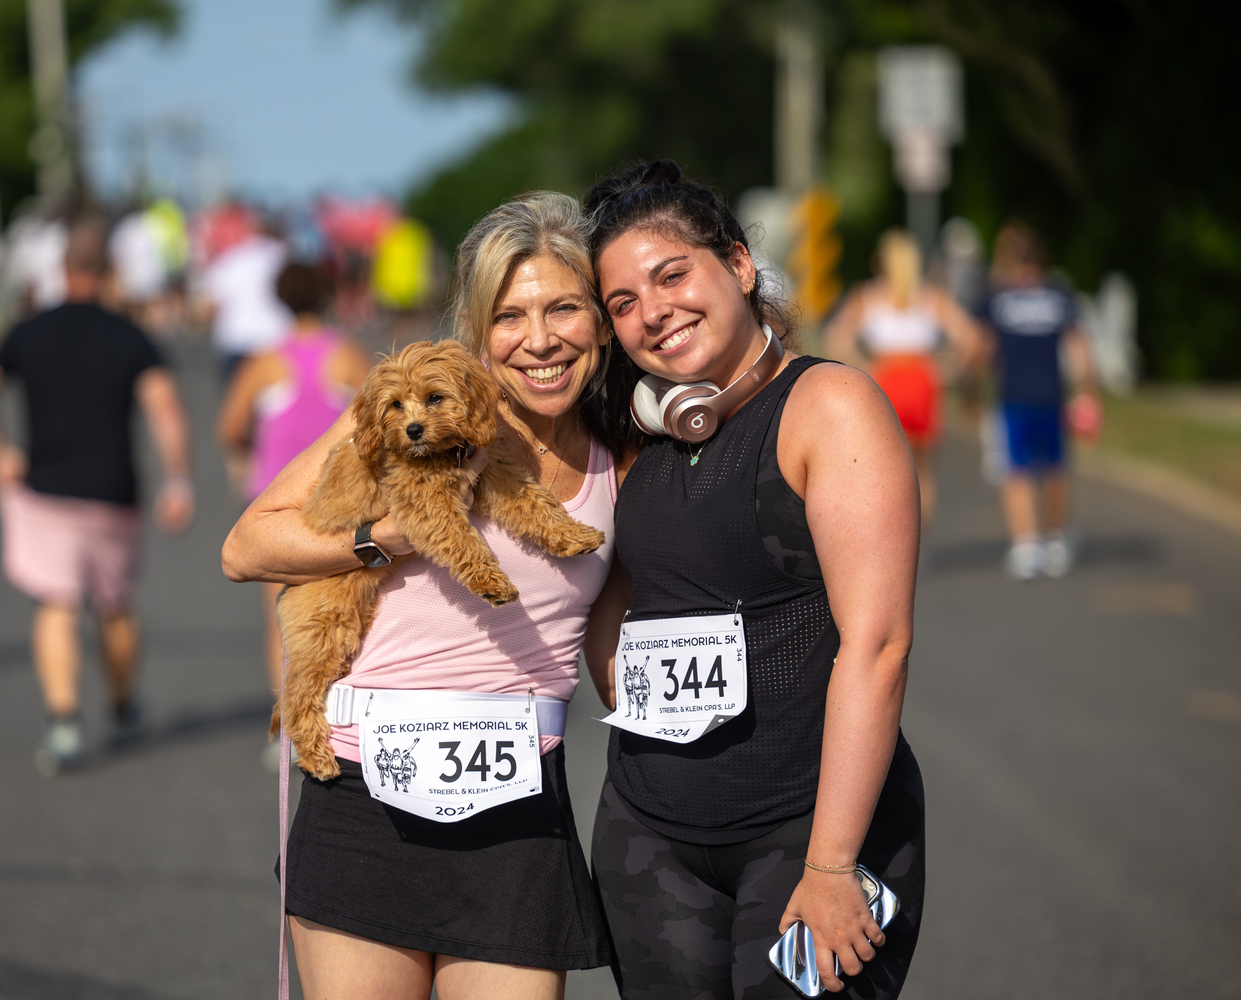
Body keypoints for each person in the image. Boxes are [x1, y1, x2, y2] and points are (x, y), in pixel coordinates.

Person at [221, 193, 636, 999]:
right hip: (360, 797)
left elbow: (614, 634)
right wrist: (393, 534)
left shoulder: (624, 449)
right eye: (511, 316)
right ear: (476, 328)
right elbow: (246, 547)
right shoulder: (417, 406)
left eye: (564, 309)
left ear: (600, 319)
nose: (541, 339)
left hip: (519, 811)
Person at [581, 160, 925, 999]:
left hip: (809, 835)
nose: (653, 313)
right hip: (649, 836)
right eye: (623, 304)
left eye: (673, 275)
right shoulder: (638, 434)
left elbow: (877, 645)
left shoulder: (828, 405)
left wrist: (833, 862)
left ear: (738, 265)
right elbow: (609, 604)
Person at [0, 218, 194, 775]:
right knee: (115, 605)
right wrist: (178, 480)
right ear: (109, 271)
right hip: (114, 494)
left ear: (62, 270)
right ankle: (121, 704)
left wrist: (0, 451)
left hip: (45, 490)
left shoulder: (29, 330)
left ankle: (63, 721)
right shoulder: (130, 336)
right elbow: (166, 410)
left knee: (56, 603)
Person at [214, 262, 370, 716]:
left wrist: (253, 449)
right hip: (342, 502)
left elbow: (230, 427)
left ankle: (289, 721)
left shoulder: (263, 361)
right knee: (348, 610)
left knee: (282, 617)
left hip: (279, 505)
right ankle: (339, 714)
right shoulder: (348, 355)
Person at [823, 228, 981, 522]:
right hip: (922, 380)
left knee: (882, 468)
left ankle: (889, 534)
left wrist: (865, 367)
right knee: (922, 470)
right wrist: (950, 369)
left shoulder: (868, 296)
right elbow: (970, 337)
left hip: (886, 381)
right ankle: (920, 542)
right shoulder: (931, 297)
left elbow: (836, 338)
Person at [977, 220, 1099, 581]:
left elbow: (983, 347)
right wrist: (1086, 389)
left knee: (1016, 471)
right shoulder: (1058, 294)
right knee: (1055, 468)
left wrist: (969, 385)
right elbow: (1079, 346)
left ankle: (1027, 545)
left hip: (1013, 398)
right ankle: (1057, 540)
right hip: (1051, 397)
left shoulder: (998, 298)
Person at [197, 222, 293, 385]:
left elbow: (209, 305)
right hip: (276, 339)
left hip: (235, 340)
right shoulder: (284, 256)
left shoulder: (230, 258)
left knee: (237, 403)